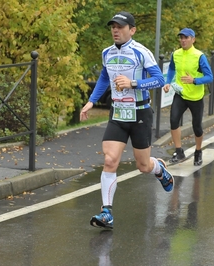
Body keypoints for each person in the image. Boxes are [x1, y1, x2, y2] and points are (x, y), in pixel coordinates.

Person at [80, 11, 174, 229]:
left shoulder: (142, 52)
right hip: (118, 113)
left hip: (140, 113)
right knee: (110, 160)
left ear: (132, 30)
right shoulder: (107, 53)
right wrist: (92, 101)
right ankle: (107, 213)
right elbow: (105, 76)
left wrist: (133, 84)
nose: (115, 30)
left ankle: (158, 169)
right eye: (113, 26)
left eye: (120, 27)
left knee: (143, 165)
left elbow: (159, 80)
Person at [162, 28, 213, 165]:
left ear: (193, 39)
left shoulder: (199, 56)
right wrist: (168, 82)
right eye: (181, 38)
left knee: (196, 126)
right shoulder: (176, 54)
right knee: (173, 120)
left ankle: (198, 151)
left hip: (195, 97)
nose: (183, 40)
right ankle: (179, 151)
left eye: (186, 38)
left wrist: (194, 80)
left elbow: (210, 77)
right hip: (180, 95)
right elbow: (172, 68)